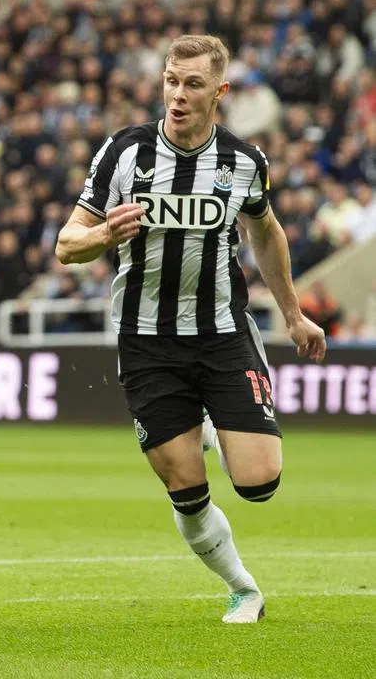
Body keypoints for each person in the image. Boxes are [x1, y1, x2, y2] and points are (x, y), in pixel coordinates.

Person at [56, 34, 327, 624]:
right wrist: (103, 235)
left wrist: (292, 312)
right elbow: (65, 244)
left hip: (223, 331)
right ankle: (244, 588)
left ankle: (209, 425)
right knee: (185, 486)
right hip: (146, 339)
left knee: (259, 482)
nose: (178, 95)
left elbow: (266, 231)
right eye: (171, 82)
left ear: (219, 92)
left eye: (193, 84)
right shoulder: (123, 152)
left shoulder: (243, 161)